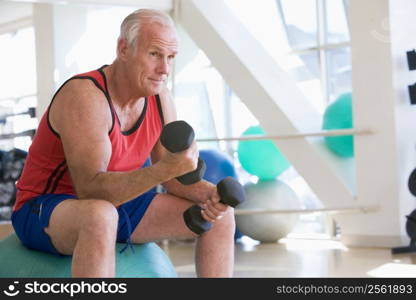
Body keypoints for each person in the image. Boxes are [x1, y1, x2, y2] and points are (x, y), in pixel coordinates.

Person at [12, 9, 235, 277]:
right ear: (123, 49)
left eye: (170, 57)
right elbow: (90, 191)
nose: (164, 69)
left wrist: (211, 195)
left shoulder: (160, 99)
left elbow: (173, 178)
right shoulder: (86, 97)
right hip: (44, 208)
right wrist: (166, 169)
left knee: (222, 217)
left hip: (120, 204)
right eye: (154, 54)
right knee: (100, 214)